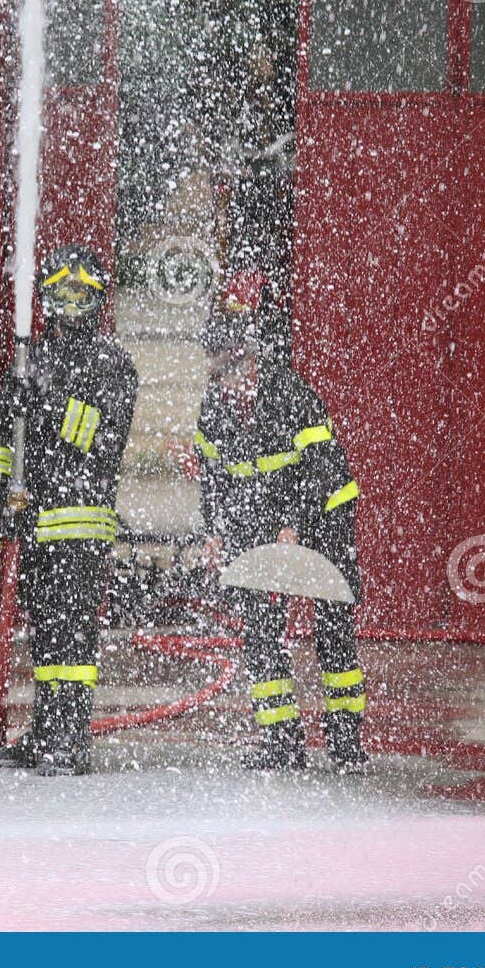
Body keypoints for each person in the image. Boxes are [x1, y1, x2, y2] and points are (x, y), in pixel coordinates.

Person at [195, 273, 369, 772]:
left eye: (235, 369)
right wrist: (215, 530)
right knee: (260, 628)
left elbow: (320, 467)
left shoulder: (291, 394)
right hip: (263, 519)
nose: (228, 383)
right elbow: (214, 478)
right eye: (218, 372)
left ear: (252, 359)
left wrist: (295, 523)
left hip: (323, 516)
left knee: (333, 629)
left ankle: (345, 744)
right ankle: (282, 742)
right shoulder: (213, 411)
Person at [0, 245, 139, 776]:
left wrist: (45, 405)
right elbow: (1, 434)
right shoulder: (29, 361)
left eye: (81, 297)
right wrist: (0, 491)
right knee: (47, 637)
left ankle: (71, 740)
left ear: (97, 302)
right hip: (36, 523)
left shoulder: (112, 363)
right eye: (62, 296)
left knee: (73, 636)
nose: (71, 308)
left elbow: (103, 438)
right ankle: (47, 732)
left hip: (81, 520)